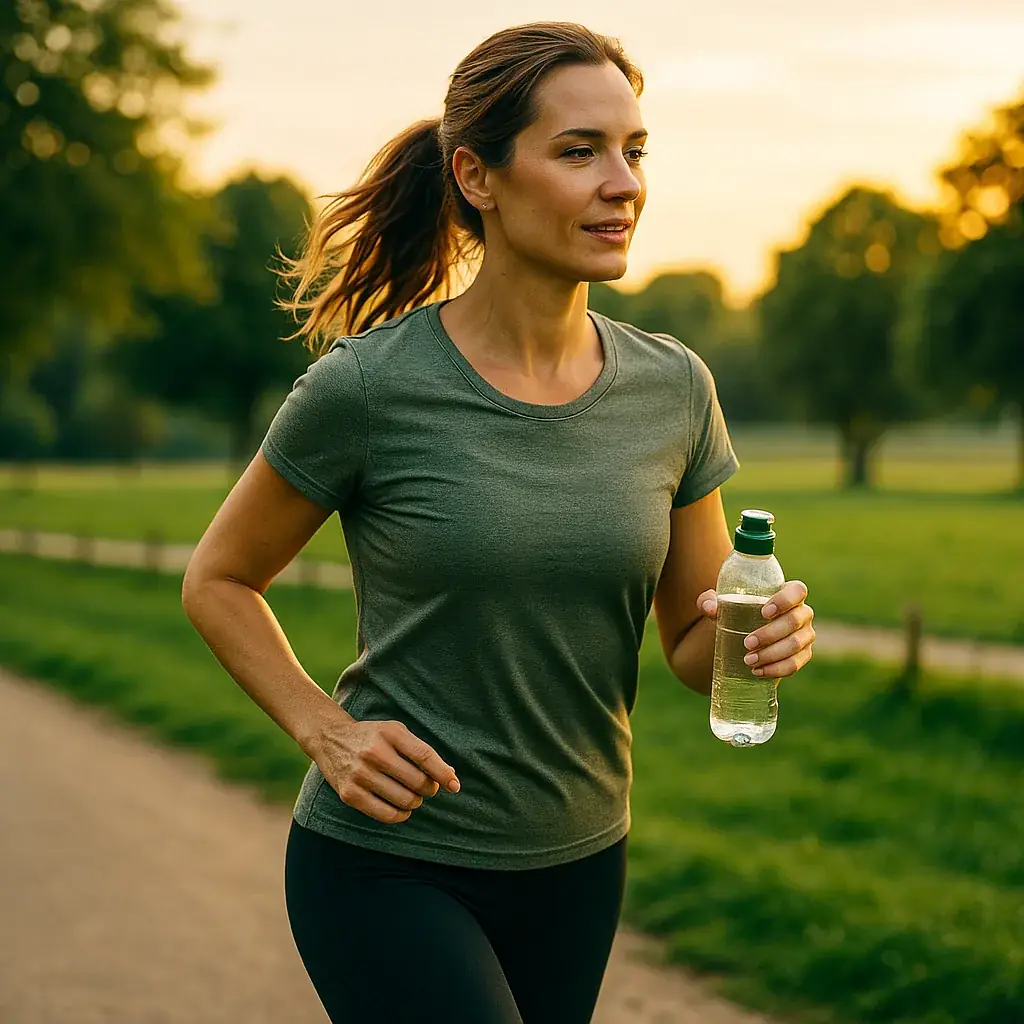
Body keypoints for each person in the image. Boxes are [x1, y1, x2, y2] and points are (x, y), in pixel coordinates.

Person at [182, 20, 816, 1024]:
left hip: (579, 861)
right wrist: (325, 731)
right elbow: (217, 578)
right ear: (477, 176)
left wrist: (759, 637)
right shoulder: (368, 388)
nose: (624, 183)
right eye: (579, 151)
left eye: (633, 150)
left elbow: (694, 645)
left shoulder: (673, 389)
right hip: (385, 864)